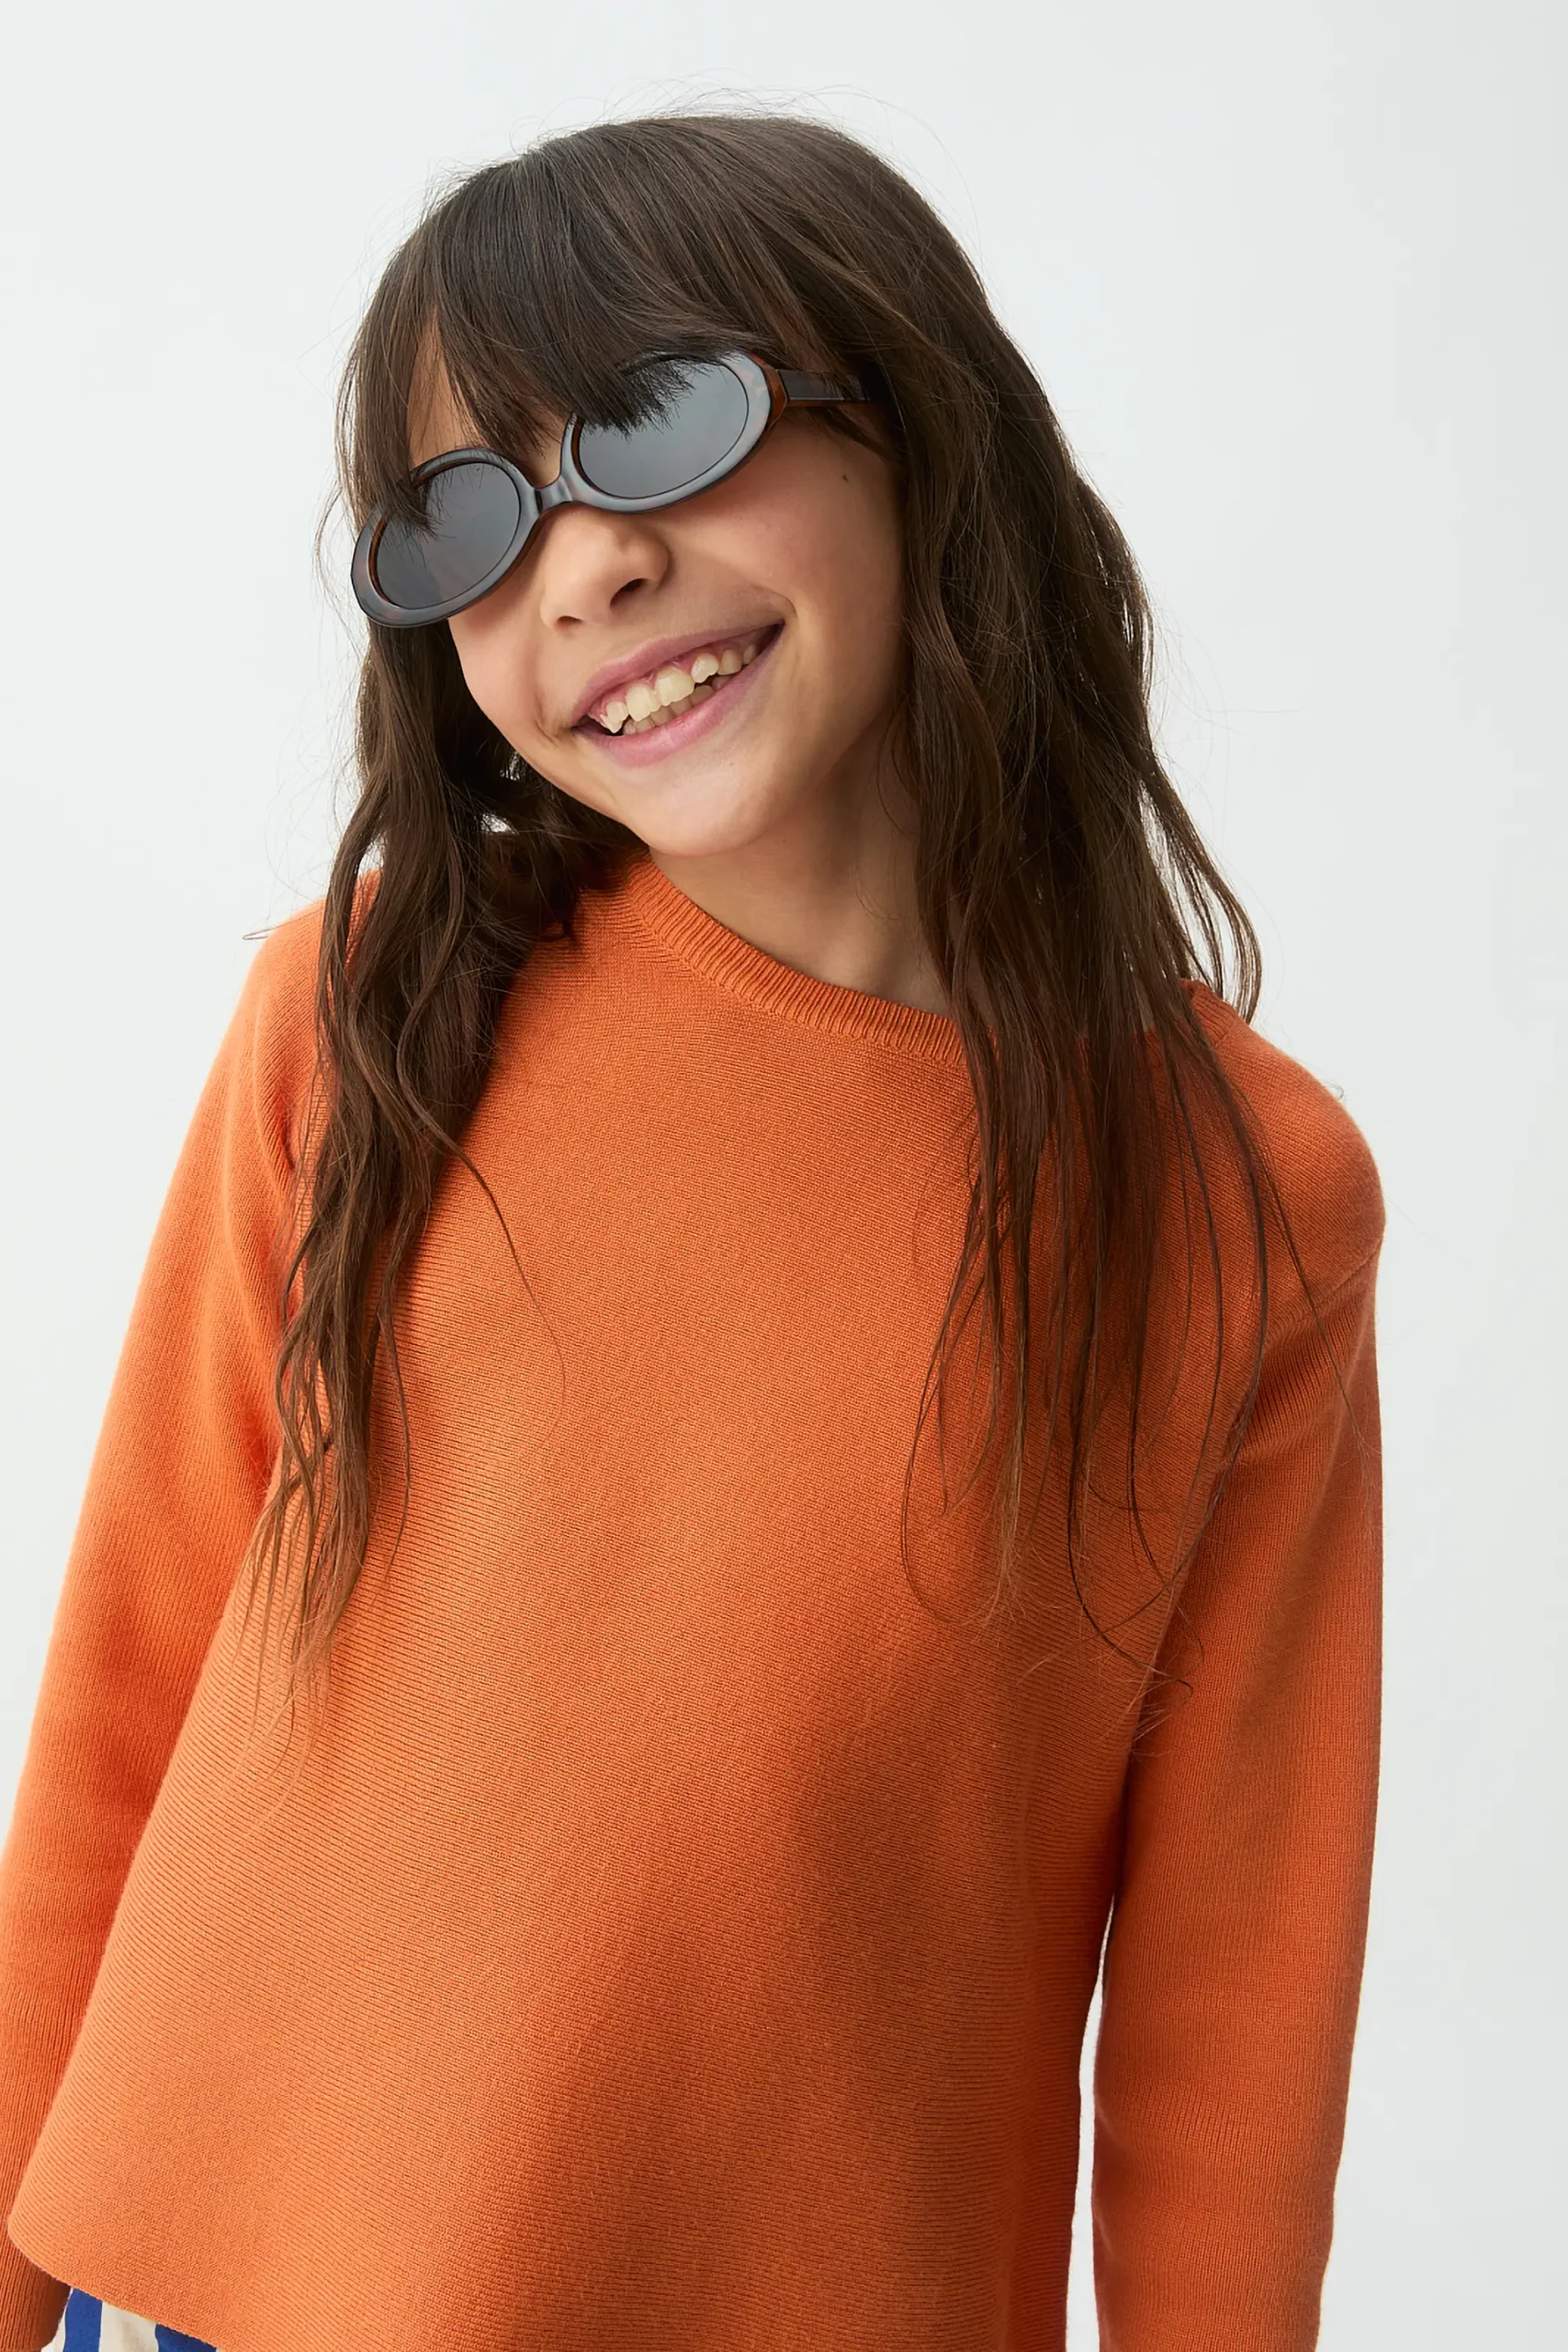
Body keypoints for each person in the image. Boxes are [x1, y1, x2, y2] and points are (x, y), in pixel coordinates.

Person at [0, 109, 1385, 2352]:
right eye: (467, 517)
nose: (582, 570)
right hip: (205, 2300)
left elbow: (1237, 2000)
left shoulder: (1239, 1199)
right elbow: (120, 1714)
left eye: (660, 424)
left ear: (917, 425)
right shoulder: (376, 1011)